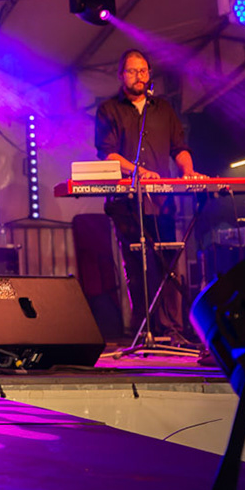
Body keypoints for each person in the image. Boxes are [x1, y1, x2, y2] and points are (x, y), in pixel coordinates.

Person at [77, 48, 205, 344]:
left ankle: (172, 331)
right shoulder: (109, 109)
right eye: (133, 71)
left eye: (144, 71)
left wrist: (189, 170)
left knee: (168, 263)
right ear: (122, 75)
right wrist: (138, 171)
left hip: (162, 202)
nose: (139, 76)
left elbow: (179, 147)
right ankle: (144, 329)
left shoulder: (164, 108)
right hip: (126, 204)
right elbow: (107, 154)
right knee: (137, 265)